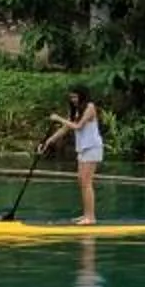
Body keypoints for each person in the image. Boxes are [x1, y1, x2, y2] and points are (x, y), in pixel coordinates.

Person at [43, 87, 106, 224]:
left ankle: (91, 217)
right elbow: (66, 128)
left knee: (86, 181)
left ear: (82, 96)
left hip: (92, 147)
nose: (73, 100)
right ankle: (86, 215)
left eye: (75, 97)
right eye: (71, 98)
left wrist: (58, 118)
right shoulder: (76, 110)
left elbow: (78, 127)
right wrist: (50, 140)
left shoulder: (90, 107)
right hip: (83, 149)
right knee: (81, 181)